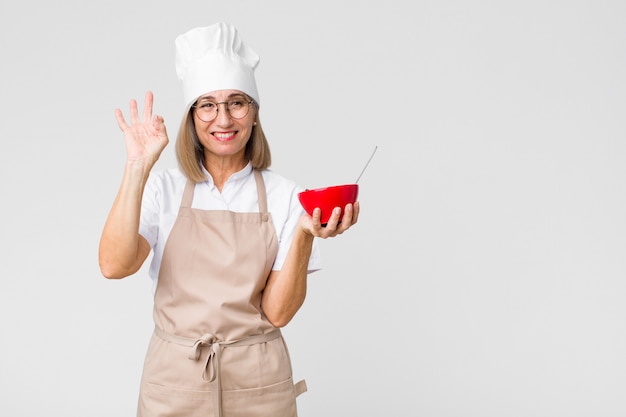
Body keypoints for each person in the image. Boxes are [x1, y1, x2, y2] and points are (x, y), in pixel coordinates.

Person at [98, 22, 359, 417]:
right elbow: (114, 265)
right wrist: (137, 167)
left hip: (258, 383)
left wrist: (305, 234)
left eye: (237, 102)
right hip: (175, 382)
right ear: (192, 117)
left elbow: (279, 313)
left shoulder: (286, 195)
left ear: (254, 114)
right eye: (207, 105)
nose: (223, 119)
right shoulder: (163, 189)